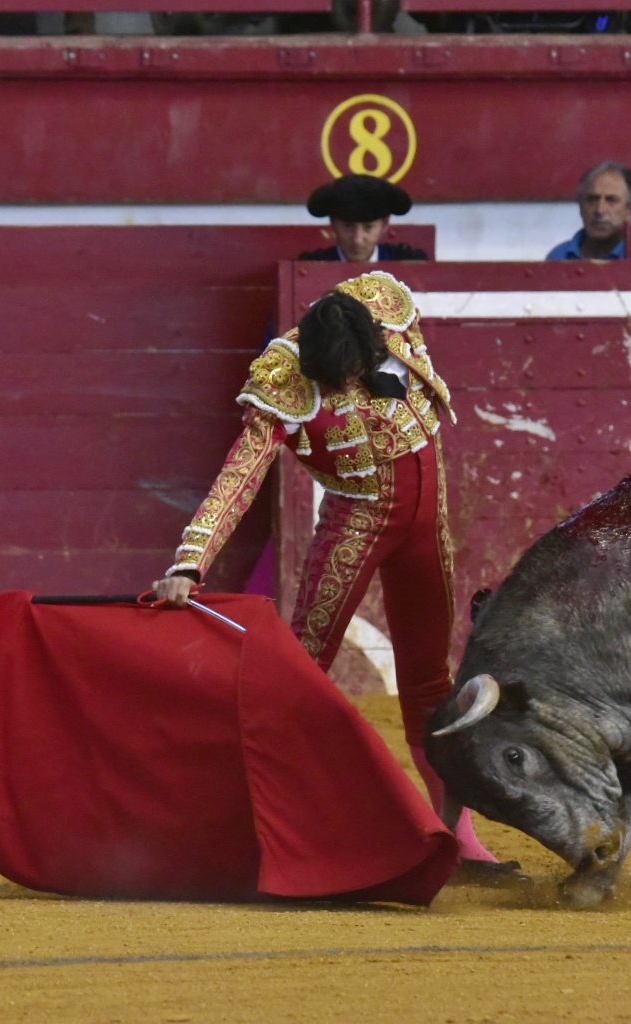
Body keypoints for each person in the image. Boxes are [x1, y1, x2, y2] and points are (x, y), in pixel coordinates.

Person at [152, 270, 513, 880]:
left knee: (430, 681)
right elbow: (239, 476)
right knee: (300, 678)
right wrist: (189, 561)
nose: (347, 386)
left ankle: (460, 842)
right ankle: (251, 824)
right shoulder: (281, 378)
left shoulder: (387, 305)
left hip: (428, 526)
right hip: (357, 526)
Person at [298, 174, 429, 263]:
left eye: (369, 227)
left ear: (385, 224)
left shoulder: (406, 262)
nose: (357, 240)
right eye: (348, 226)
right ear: (333, 223)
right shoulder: (314, 264)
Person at [545, 160, 631, 261]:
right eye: (592, 199)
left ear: (630, 211)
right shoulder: (559, 257)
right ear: (580, 207)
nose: (599, 210)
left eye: (611, 200)